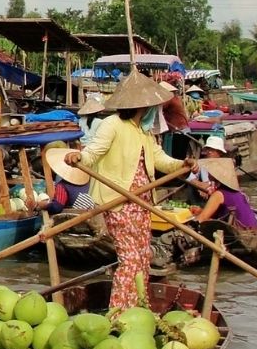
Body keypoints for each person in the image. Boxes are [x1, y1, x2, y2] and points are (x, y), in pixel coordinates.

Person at [65, 72, 195, 309]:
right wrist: (78, 156)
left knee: (144, 256)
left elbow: (161, 160)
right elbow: (93, 152)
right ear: (142, 106)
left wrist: (182, 165)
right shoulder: (112, 124)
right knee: (130, 259)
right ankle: (119, 312)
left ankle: (138, 307)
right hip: (119, 201)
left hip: (142, 203)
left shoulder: (144, 132)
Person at [194, 158, 257, 229]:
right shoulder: (238, 193)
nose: (208, 173)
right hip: (254, 229)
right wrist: (201, 211)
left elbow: (200, 220)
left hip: (241, 234)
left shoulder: (218, 195)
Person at [43, 147, 95, 213]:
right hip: (95, 212)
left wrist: (44, 206)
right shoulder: (89, 180)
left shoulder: (62, 186)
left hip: (80, 217)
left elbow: (57, 207)